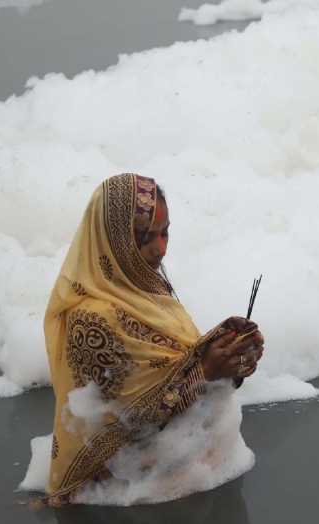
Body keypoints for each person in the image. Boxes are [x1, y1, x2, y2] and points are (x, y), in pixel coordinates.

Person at [42, 173, 264, 505]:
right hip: (112, 496)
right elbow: (122, 427)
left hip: (177, 472)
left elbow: (172, 369)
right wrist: (205, 372)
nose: (160, 249)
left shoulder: (147, 291)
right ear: (113, 239)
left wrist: (229, 356)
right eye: (145, 237)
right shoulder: (91, 319)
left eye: (165, 233)